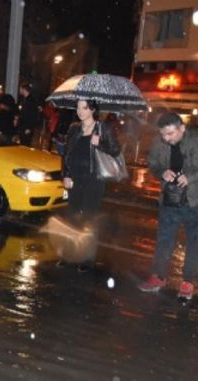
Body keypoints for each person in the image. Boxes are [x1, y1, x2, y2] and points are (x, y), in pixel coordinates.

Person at [138, 112, 198, 300]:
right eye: (163, 134)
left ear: (182, 128)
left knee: (195, 240)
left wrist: (192, 177)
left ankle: (188, 281)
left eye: (171, 134)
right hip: (170, 198)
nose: (166, 138)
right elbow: (152, 163)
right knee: (164, 238)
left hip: (197, 199)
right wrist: (162, 173)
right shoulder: (160, 142)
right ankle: (158, 276)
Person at [60, 99, 121, 271]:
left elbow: (116, 150)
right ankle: (68, 254)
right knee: (71, 217)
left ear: (93, 109)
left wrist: (99, 144)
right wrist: (65, 175)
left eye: (84, 108)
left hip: (94, 181)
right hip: (75, 179)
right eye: (78, 107)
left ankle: (87, 259)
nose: (80, 111)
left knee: (88, 219)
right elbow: (66, 154)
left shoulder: (103, 129)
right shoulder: (74, 129)